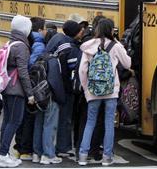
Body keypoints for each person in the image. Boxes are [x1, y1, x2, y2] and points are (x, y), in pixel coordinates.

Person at [77, 18, 131, 166]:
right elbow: (127, 63)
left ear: (97, 29)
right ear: (111, 30)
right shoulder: (116, 46)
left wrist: (87, 88)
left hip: (93, 91)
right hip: (111, 91)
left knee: (90, 122)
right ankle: (107, 157)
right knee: (109, 124)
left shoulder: (88, 46)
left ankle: (82, 155)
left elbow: (82, 70)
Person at [0, 15, 35, 168]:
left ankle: (2, 153)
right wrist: (30, 94)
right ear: (25, 29)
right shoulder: (22, 46)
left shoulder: (10, 43)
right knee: (14, 122)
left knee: (7, 122)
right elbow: (23, 72)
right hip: (16, 90)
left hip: (7, 88)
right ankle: (2, 154)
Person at [46, 20, 84, 158]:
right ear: (75, 32)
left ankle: (52, 147)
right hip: (64, 87)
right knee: (65, 118)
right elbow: (73, 69)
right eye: (80, 30)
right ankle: (63, 147)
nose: (82, 32)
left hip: (53, 83)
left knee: (51, 118)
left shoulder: (57, 39)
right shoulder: (70, 48)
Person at [32, 17, 66, 165]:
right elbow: (55, 82)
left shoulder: (40, 56)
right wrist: (61, 97)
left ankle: (36, 153)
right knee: (50, 125)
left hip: (39, 96)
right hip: (50, 97)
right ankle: (48, 154)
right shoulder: (53, 59)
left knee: (39, 124)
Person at [13, 17, 47, 161]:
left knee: (21, 119)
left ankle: (19, 147)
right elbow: (32, 66)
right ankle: (25, 149)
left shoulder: (26, 41)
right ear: (39, 30)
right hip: (30, 85)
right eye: (44, 28)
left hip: (21, 84)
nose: (46, 31)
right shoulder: (39, 45)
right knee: (29, 118)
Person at [74, 15, 107, 161]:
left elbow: (81, 68)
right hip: (103, 89)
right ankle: (95, 150)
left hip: (87, 88)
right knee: (98, 120)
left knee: (85, 120)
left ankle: (81, 150)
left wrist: (84, 87)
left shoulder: (85, 43)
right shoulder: (110, 44)